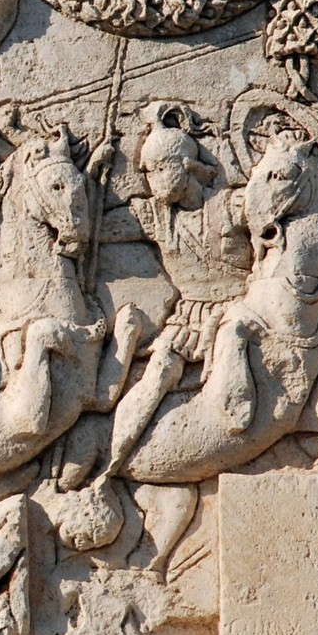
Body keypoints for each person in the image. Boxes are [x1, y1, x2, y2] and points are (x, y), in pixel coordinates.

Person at [96, 102, 251, 476]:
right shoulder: (155, 215)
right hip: (188, 315)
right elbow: (95, 228)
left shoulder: (231, 205)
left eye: (158, 170)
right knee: (157, 371)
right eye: (145, 173)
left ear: (186, 166)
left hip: (237, 308)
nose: (150, 180)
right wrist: (93, 178)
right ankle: (112, 462)